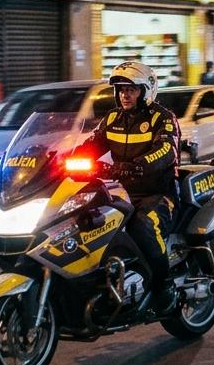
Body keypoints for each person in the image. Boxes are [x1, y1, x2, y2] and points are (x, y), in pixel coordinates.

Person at [78, 62, 181, 315]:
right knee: (87, 221)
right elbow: (91, 145)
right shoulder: (112, 118)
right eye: (121, 89)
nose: (124, 95)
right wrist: (59, 160)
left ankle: (164, 285)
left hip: (158, 193)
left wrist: (138, 165)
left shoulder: (162, 118)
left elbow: (167, 150)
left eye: (131, 90)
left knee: (143, 225)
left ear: (146, 91)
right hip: (122, 193)